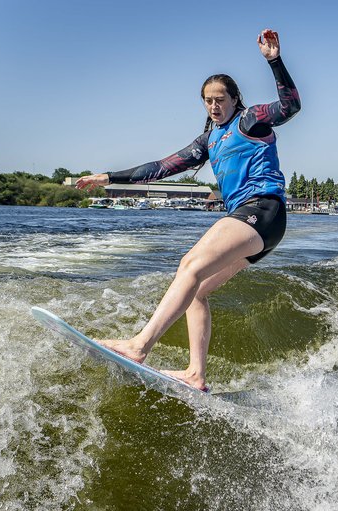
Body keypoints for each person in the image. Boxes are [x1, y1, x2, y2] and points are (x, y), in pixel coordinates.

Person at [76, 29, 300, 390]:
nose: (214, 106)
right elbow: (162, 167)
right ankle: (196, 373)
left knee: (189, 265)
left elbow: (290, 106)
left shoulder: (251, 120)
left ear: (234, 99)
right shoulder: (210, 139)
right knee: (196, 289)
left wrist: (274, 61)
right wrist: (110, 176)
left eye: (220, 99)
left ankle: (138, 346)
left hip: (262, 210)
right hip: (262, 226)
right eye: (207, 101)